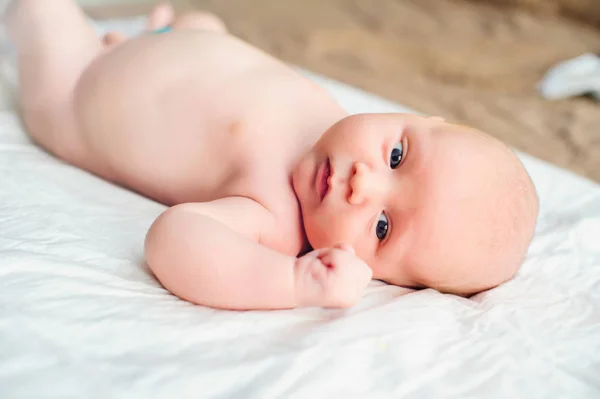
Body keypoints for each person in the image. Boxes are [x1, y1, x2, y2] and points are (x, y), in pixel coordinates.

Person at [4, 1, 539, 310]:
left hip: (81, 93)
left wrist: (294, 283)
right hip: (167, 52)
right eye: (398, 155)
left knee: (40, 10)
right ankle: (161, 34)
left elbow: (173, 240)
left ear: (382, 278)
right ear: (420, 118)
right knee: (205, 25)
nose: (363, 185)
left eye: (380, 227)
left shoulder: (277, 219)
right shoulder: (338, 123)